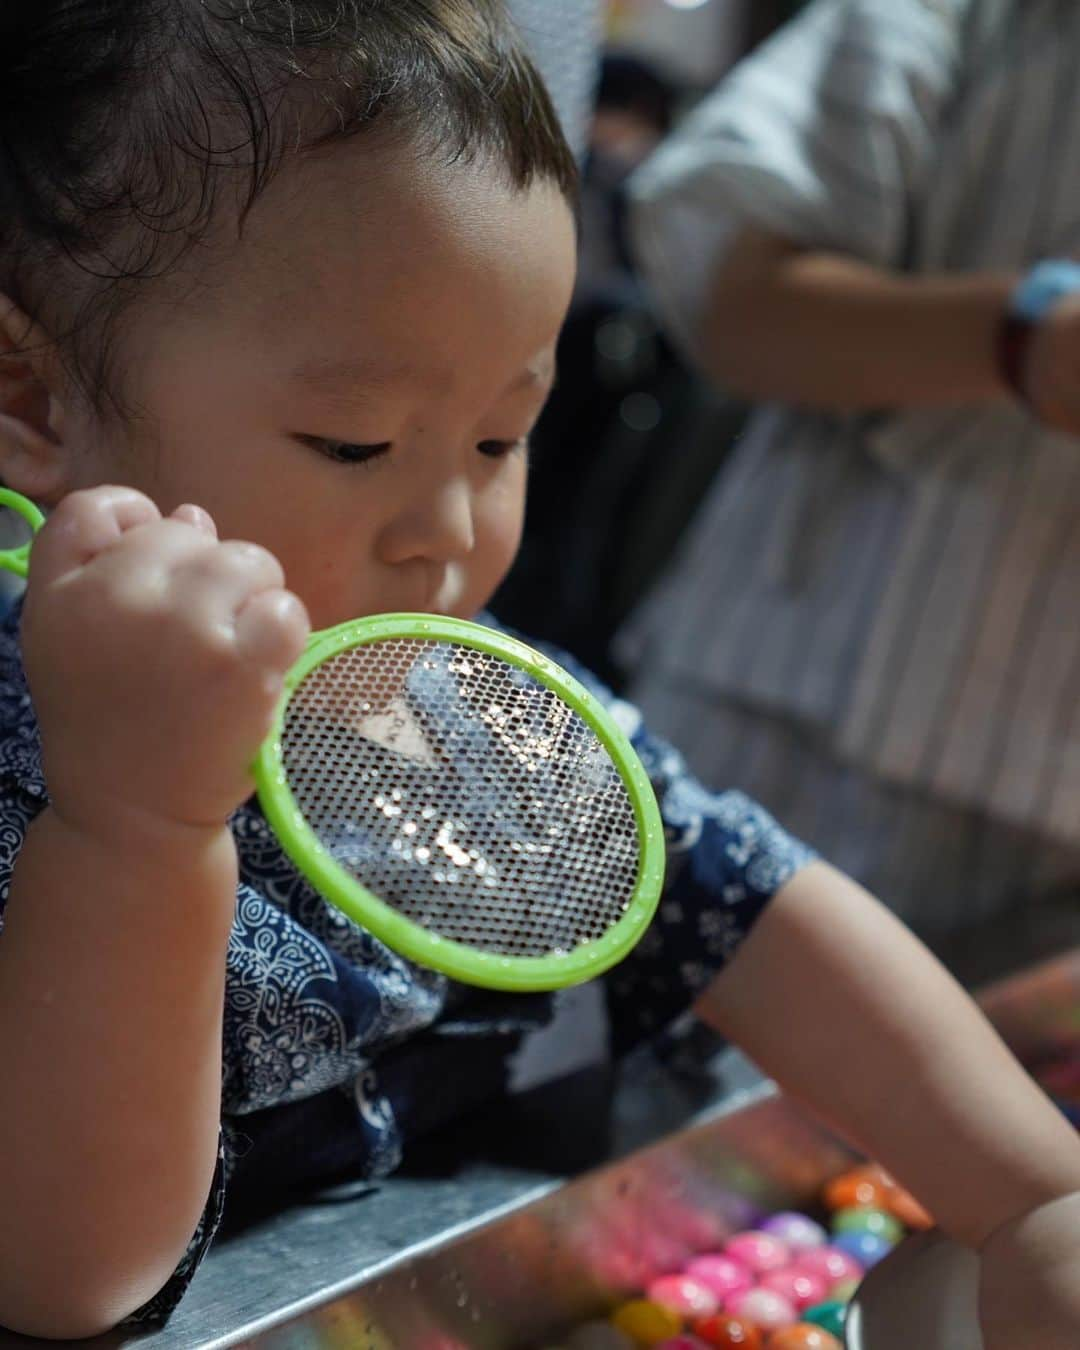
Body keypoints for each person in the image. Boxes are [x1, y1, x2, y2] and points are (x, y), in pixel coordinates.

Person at [0, 2, 1077, 1344]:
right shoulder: (37, 742)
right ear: (37, 400)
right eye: (355, 444)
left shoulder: (471, 717)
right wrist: (133, 828)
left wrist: (1034, 1191)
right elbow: (66, 1272)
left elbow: (747, 906)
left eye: (502, 439)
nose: (447, 531)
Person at [620, 0, 1080, 940]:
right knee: (600, 1072)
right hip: (761, 732)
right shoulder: (981, 20)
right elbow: (722, 294)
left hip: (1049, 879)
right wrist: (1024, 338)